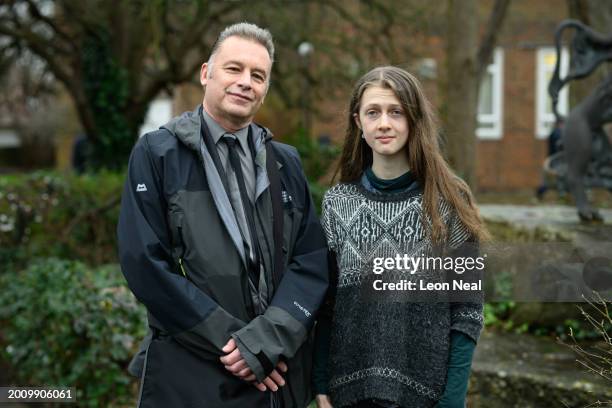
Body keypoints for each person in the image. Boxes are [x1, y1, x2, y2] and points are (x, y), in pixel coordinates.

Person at [117, 22, 329, 408]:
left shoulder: (285, 163)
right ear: (206, 73)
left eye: (257, 75)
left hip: (276, 379)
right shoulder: (157, 154)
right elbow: (144, 262)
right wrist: (238, 344)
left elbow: (311, 260)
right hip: (192, 375)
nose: (245, 82)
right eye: (234, 69)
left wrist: (267, 340)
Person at [312, 66, 489, 408]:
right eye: (373, 112)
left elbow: (467, 312)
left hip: (425, 395)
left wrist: (451, 401)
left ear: (413, 120)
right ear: (358, 123)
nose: (384, 123)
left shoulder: (449, 203)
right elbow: (327, 305)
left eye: (396, 112)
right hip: (349, 393)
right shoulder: (338, 204)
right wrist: (321, 386)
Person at [536, 118, 564, 200]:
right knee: (552, 180)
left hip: (553, 160)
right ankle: (542, 191)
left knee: (550, 180)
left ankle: (541, 192)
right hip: (556, 161)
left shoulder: (554, 133)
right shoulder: (557, 133)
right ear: (560, 124)